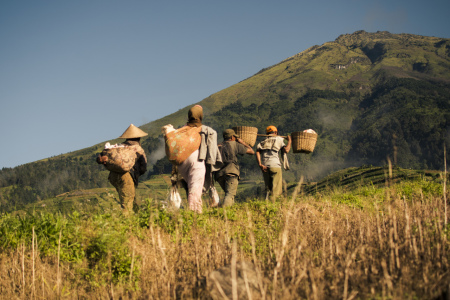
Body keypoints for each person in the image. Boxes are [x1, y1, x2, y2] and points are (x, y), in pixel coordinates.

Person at [172, 105, 221, 213]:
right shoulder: (206, 130)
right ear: (200, 116)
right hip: (197, 162)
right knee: (194, 189)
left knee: (189, 188)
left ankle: (190, 210)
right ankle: (195, 213)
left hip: (181, 164)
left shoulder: (181, 131)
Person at [97, 124, 147, 215]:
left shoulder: (118, 146)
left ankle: (137, 217)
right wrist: (136, 174)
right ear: (138, 138)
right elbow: (143, 167)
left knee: (128, 198)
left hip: (113, 176)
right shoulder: (138, 149)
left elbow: (100, 157)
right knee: (127, 204)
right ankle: (127, 224)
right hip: (127, 177)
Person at [215, 129, 254, 207]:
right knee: (230, 194)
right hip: (231, 172)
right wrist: (242, 142)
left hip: (219, 174)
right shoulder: (235, 144)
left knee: (229, 194)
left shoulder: (218, 145)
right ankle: (226, 213)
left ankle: (230, 211)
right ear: (232, 137)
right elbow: (251, 151)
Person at [255, 125, 291, 201]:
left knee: (268, 189)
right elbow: (286, 150)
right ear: (275, 132)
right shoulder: (279, 139)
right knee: (276, 190)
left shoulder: (263, 141)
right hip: (275, 166)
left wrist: (260, 164)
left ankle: (266, 203)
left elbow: (257, 151)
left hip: (265, 167)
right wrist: (289, 140)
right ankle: (274, 205)